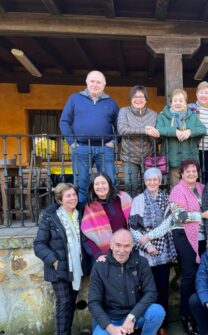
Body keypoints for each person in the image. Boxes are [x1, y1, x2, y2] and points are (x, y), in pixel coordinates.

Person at [89, 229, 164, 335]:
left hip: (136, 315)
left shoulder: (141, 263)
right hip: (112, 317)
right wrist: (110, 328)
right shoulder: (99, 267)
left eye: (126, 246)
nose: (121, 250)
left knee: (157, 311)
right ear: (111, 245)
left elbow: (151, 293)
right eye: (118, 245)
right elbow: (93, 302)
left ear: (132, 246)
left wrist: (131, 317)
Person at [33, 183, 90, 335]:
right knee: (64, 303)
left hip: (76, 267)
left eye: (74, 195)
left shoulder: (80, 212)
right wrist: (54, 260)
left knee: (70, 302)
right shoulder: (50, 216)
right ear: (59, 199)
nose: (73, 198)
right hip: (59, 268)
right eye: (68, 196)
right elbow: (39, 245)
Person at [129, 167, 177, 335]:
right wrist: (147, 244)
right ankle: (151, 327)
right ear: (145, 181)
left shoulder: (167, 199)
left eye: (155, 179)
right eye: (148, 179)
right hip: (144, 252)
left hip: (163, 250)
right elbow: (133, 227)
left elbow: (168, 223)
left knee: (162, 290)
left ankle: (162, 325)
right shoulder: (138, 200)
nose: (152, 182)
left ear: (160, 181)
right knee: (147, 291)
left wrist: (150, 237)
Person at [169, 159, 208, 335]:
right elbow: (179, 215)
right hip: (183, 235)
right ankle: (185, 315)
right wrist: (201, 215)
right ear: (181, 173)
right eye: (187, 171)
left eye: (194, 171)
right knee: (190, 274)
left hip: (203, 236)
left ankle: (199, 311)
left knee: (202, 273)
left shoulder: (202, 187)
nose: (191, 174)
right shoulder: (177, 190)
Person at [59, 70, 119, 202]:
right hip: (81, 148)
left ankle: (107, 216)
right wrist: (71, 142)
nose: (95, 84)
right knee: (81, 184)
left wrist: (114, 142)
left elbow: (119, 125)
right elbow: (64, 122)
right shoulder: (75, 98)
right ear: (86, 82)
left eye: (99, 82)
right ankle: (82, 217)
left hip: (105, 148)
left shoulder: (111, 102)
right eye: (92, 81)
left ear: (104, 85)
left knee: (108, 183)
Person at [156, 88, 207, 187]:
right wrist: (174, 132)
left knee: (190, 187)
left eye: (181, 100)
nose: (178, 103)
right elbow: (158, 129)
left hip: (190, 159)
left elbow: (203, 129)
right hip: (172, 158)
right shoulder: (162, 116)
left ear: (185, 102)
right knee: (175, 188)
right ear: (171, 102)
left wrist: (190, 131)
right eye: (175, 100)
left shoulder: (192, 116)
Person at [117, 85, 159, 196]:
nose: (138, 99)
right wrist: (145, 131)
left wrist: (155, 135)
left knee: (151, 187)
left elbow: (158, 137)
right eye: (135, 96)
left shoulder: (154, 114)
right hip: (129, 156)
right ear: (131, 98)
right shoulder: (124, 111)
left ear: (146, 99)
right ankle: (131, 211)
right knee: (130, 186)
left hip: (149, 157)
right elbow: (122, 130)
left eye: (141, 96)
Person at [81, 173, 131, 259]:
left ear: (109, 184)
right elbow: (86, 238)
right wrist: (98, 255)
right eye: (96, 184)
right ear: (92, 187)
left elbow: (134, 224)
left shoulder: (123, 199)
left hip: (127, 251)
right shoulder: (89, 208)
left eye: (103, 183)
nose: (100, 186)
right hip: (105, 257)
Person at [188, 81, 208, 183]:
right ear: (197, 94)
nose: (203, 95)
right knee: (193, 177)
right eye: (201, 92)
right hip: (193, 149)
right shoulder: (189, 108)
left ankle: (207, 198)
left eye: (206, 93)